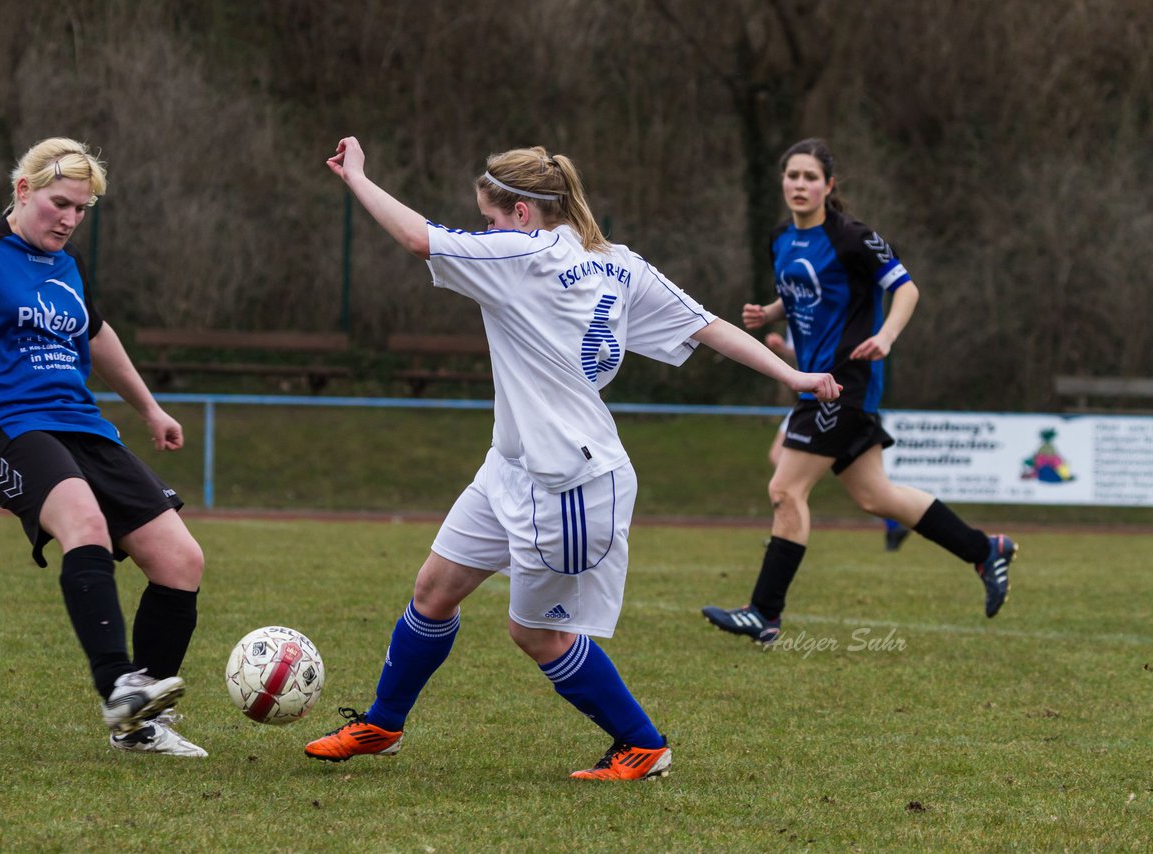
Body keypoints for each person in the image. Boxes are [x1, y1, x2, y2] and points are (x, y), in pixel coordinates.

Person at [303, 136, 840, 781]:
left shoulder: (523, 255)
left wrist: (358, 178)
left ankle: (643, 745)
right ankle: (383, 725)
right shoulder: (616, 262)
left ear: (524, 214)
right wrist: (794, 377)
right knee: (434, 590)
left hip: (569, 483)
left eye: (492, 218)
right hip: (509, 466)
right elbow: (709, 325)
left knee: (538, 635)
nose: (487, 232)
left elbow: (420, 239)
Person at [0, 138, 206, 757]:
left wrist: (150, 409)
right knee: (84, 523)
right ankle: (120, 689)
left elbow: (97, 335)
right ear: (22, 190)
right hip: (8, 428)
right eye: (60, 203)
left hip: (84, 427)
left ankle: (139, 726)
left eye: (81, 210)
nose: (70, 219)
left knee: (180, 560)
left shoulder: (65, 265)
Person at [702, 138, 1015, 646]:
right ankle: (985, 550)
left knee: (786, 490)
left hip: (843, 384)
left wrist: (886, 337)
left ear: (829, 185)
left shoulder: (852, 237)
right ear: (782, 182)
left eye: (810, 177)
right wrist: (770, 314)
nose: (799, 185)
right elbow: (800, 290)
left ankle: (764, 612)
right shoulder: (781, 239)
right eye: (792, 176)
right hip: (814, 382)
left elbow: (906, 288)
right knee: (876, 496)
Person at [766, 325, 909, 552]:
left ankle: (788, 530)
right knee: (782, 467)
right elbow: (804, 357)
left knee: (788, 477)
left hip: (825, 400)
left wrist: (887, 335)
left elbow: (823, 353)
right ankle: (786, 528)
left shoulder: (822, 303)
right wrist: (782, 346)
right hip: (811, 398)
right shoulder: (796, 307)